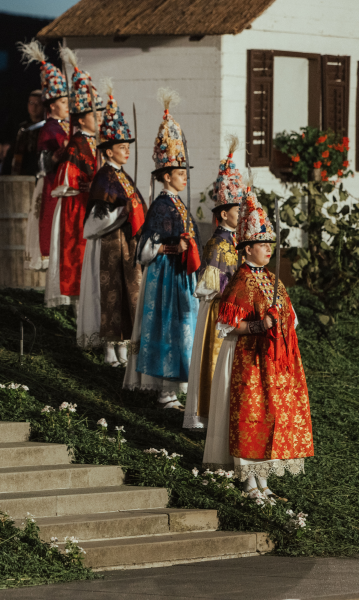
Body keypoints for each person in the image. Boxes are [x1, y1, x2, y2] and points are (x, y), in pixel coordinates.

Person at [202, 187, 313, 500]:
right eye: (261, 244)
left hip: (275, 362)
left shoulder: (273, 279)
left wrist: (283, 320)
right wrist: (257, 325)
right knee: (251, 414)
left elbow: (290, 316)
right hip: (248, 360)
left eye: (269, 243)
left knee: (270, 417)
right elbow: (225, 325)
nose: (267, 249)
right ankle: (249, 481)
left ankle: (264, 480)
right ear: (247, 248)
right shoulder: (241, 281)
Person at [123, 89, 200, 409]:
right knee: (169, 328)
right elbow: (143, 250)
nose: (184, 179)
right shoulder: (159, 206)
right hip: (165, 280)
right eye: (180, 174)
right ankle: (164, 390)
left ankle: (176, 387)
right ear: (167, 175)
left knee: (183, 329)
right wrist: (172, 244)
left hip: (180, 278)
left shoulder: (178, 205)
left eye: (184, 174)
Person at [77, 81, 144, 367]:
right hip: (108, 245)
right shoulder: (104, 179)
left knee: (123, 293)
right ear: (107, 151)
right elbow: (92, 224)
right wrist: (121, 214)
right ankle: (108, 350)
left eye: (127, 146)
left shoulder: (123, 177)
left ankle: (121, 348)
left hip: (124, 246)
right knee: (109, 294)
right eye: (121, 146)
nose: (126, 151)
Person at [184, 135, 243, 429]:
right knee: (214, 363)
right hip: (218, 313)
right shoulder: (218, 245)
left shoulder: (233, 244)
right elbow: (206, 288)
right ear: (223, 213)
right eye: (237, 210)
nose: (241, 215)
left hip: (231, 311)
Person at [44, 47, 104, 308]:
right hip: (78, 212)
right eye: (94, 113)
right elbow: (68, 182)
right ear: (81, 118)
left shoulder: (95, 143)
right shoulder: (77, 144)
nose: (100, 118)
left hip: (92, 209)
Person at [17, 40, 70, 272]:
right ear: (52, 105)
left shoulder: (65, 126)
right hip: (51, 185)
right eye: (63, 102)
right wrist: (58, 157)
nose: (67, 105)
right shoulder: (49, 129)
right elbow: (41, 164)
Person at [4, 90, 44, 177]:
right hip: (22, 171)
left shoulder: (46, 127)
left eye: (38, 103)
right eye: (31, 103)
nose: (34, 107)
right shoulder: (22, 127)